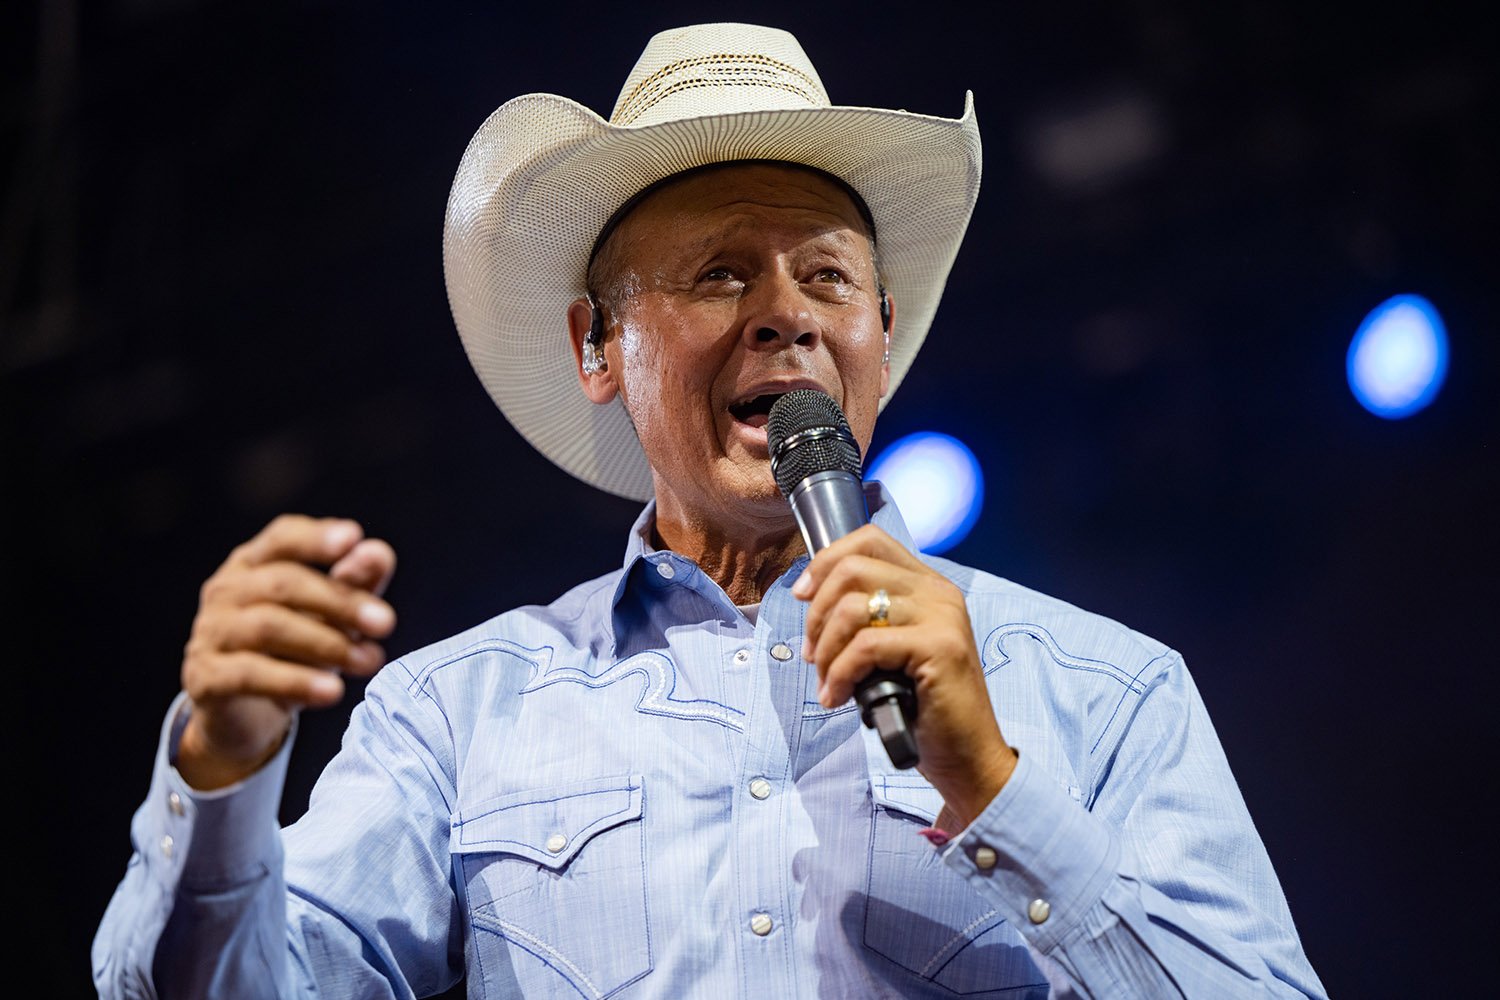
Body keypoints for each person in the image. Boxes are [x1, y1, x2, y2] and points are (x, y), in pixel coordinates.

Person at [92, 22, 1326, 999]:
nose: (785, 312)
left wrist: (997, 788)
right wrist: (224, 767)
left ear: (881, 340)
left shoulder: (1107, 693)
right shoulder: (458, 714)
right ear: (597, 345)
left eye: (829, 277)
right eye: (722, 272)